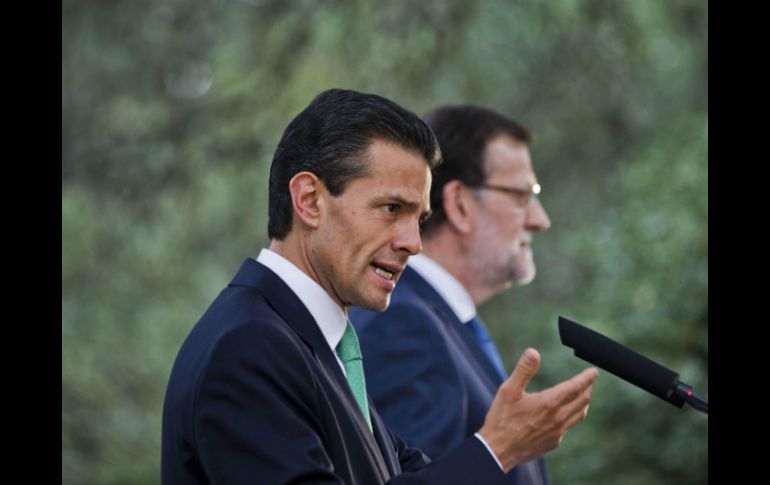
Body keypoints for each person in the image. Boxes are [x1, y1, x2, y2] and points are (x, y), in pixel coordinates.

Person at [161, 89, 597, 484]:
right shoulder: (249, 345)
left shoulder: (315, 346)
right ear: (310, 201)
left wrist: (501, 445)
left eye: (419, 219)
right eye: (391, 208)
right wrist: (496, 449)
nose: (413, 243)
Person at [350, 106, 552, 484]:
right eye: (522, 195)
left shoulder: (441, 321)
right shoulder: (403, 325)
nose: (540, 220)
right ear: (460, 204)